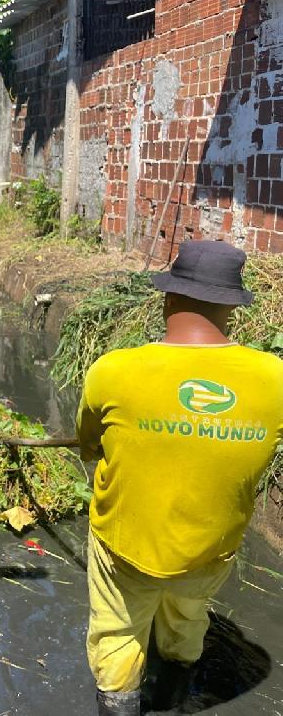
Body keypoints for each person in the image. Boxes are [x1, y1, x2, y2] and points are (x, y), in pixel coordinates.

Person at [76, 240, 283, 716]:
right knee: (187, 618)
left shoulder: (114, 370)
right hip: (211, 549)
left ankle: (121, 701)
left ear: (168, 299)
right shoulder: (274, 378)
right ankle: (173, 694)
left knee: (118, 632)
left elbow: (90, 444)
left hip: (126, 544)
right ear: (232, 307)